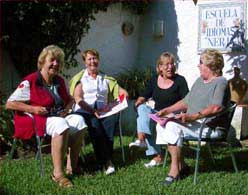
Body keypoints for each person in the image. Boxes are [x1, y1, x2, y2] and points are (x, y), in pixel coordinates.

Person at [6, 45, 87, 188]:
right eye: (52, 60)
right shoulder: (31, 80)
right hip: (38, 119)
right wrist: (33, 109)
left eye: (59, 62)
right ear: (43, 61)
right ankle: (58, 174)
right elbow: (10, 104)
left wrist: (67, 109)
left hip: (57, 116)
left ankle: (71, 166)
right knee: (60, 124)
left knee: (80, 121)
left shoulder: (58, 81)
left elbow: (69, 99)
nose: (55, 64)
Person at [155, 49, 230, 186]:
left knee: (171, 126)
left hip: (210, 127)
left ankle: (174, 172)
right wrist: (167, 110)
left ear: (210, 66)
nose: (198, 65)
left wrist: (192, 117)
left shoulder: (221, 82)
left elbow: (216, 107)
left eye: (201, 63)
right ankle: (181, 165)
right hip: (196, 123)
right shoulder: (200, 81)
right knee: (162, 124)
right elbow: (185, 101)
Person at [69, 49, 128, 175]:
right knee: (95, 126)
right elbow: (78, 98)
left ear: (98, 60)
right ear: (85, 62)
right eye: (89, 59)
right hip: (85, 110)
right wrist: (91, 110)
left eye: (94, 58)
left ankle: (103, 160)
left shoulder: (105, 79)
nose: (92, 61)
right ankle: (107, 161)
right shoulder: (80, 79)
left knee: (110, 123)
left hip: (103, 110)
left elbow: (123, 93)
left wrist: (120, 100)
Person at [129, 52, 189, 167]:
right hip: (157, 113)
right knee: (143, 109)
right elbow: (145, 94)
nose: (170, 67)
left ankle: (157, 156)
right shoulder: (154, 79)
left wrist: (172, 113)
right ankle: (142, 140)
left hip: (172, 114)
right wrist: (139, 101)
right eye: (166, 64)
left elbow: (186, 101)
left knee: (152, 122)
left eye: (172, 64)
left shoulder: (180, 80)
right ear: (160, 67)